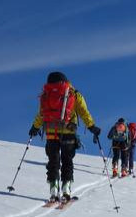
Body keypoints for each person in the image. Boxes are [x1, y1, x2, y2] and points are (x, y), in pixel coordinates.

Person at [29, 72, 101, 202]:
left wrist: (35, 127)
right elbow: (84, 112)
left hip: (51, 132)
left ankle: (53, 189)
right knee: (67, 160)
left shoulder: (46, 94)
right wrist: (91, 127)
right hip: (68, 131)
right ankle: (66, 189)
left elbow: (41, 114)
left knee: (53, 161)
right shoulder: (73, 93)